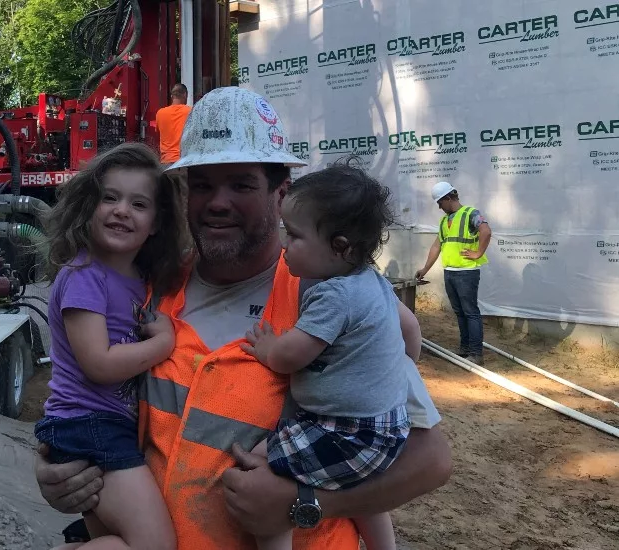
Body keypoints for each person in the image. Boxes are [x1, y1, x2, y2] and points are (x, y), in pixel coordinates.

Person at [36, 87, 453, 550]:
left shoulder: (331, 297)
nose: (218, 202)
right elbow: (95, 403)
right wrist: (61, 471)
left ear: (281, 192)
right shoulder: (157, 290)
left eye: (241, 185)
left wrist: (305, 503)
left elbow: (430, 461)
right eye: (203, 185)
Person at [241, 163, 413, 550]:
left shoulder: (333, 295)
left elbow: (290, 357)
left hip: (349, 434)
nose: (284, 243)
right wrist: (394, 371)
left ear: (340, 247)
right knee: (359, 489)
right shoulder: (373, 282)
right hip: (387, 428)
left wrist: (268, 347)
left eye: (295, 235)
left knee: (260, 469)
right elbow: (412, 332)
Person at [35, 141, 190, 550]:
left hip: (106, 427)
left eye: (139, 204)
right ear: (89, 206)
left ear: (156, 223)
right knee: (155, 545)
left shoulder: (139, 280)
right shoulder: (85, 275)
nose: (122, 210)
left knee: (120, 542)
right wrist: (163, 344)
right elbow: (99, 364)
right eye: (110, 198)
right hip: (89, 426)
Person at [415, 181, 491, 365]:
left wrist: (478, 253)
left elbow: (486, 231)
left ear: (448, 198)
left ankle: (476, 353)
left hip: (466, 272)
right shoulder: (445, 221)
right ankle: (465, 349)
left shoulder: (471, 213)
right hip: (450, 272)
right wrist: (425, 269)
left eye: (440, 203)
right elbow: (437, 246)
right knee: (460, 312)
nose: (439, 207)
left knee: (470, 312)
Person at [154, 83, 192, 166]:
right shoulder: (190, 111)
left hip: (166, 161)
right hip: (184, 160)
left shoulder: (160, 113)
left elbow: (158, 134)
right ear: (185, 95)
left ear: (172, 96)